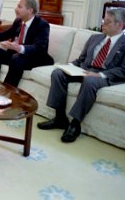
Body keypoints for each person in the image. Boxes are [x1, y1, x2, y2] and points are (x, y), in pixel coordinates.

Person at [37, 8, 125, 143]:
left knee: (90, 81)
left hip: (105, 76)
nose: (103, 24)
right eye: (103, 20)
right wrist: (69, 66)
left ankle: (75, 124)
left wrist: (100, 75)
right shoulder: (95, 38)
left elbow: (123, 70)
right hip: (84, 70)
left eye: (108, 22)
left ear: (120, 25)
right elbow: (81, 59)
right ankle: (60, 118)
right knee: (58, 73)